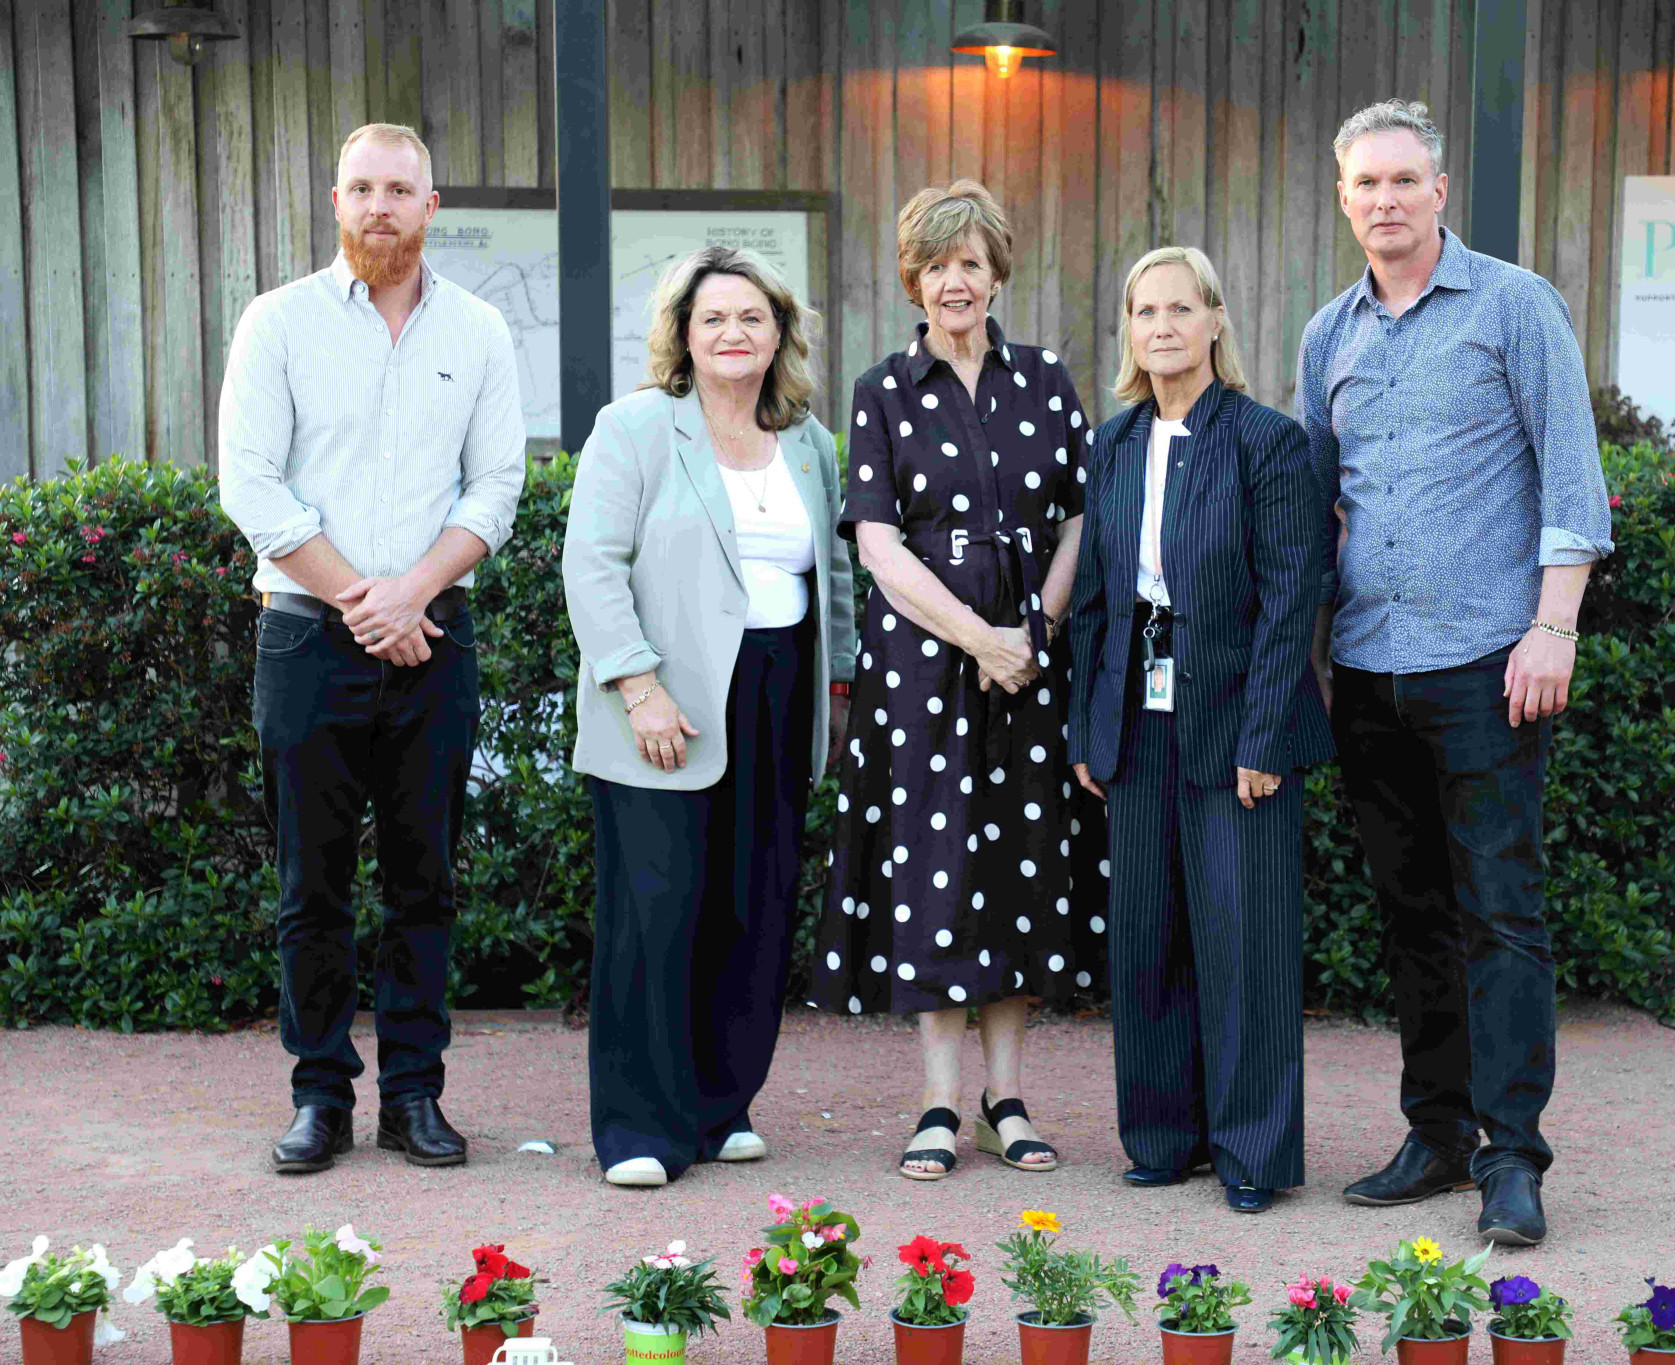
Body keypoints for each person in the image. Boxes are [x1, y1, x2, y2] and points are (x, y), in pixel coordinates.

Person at [1297, 99, 1613, 1246]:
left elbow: (1571, 479)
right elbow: (1316, 512)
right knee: (1410, 917)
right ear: (1342, 201)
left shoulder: (1514, 306)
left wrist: (1554, 628)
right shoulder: (1325, 336)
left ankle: (1511, 1157)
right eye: (1361, 184)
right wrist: (1310, 656)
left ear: (1438, 192)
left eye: (1400, 180)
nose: (1382, 199)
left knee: (1502, 916)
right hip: (1369, 668)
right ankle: (1433, 1134)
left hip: (1488, 663)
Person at [218, 122, 527, 1175]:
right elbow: (250, 484)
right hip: (308, 639)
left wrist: (413, 596)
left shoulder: (480, 331)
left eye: (400, 189)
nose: (380, 206)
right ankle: (319, 1096)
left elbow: (497, 488)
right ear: (336, 201)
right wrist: (362, 600)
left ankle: (414, 1096)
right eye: (361, 188)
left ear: (431, 206)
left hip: (437, 637)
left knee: (424, 878)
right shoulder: (280, 324)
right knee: (313, 883)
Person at [806, 179, 1105, 1181]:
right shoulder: (882, 390)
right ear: (911, 279)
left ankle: (1006, 1097)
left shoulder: (1048, 380)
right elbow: (880, 546)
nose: (953, 281)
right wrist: (979, 636)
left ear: (996, 270)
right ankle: (938, 1103)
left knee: (1020, 862)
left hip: (1029, 659)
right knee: (934, 871)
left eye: (969, 261)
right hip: (924, 663)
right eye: (934, 264)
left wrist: (1037, 629)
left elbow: (1077, 518)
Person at [562, 245, 854, 1188]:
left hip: (778, 691)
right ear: (684, 336)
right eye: (714, 318)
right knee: (656, 909)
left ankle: (720, 1102)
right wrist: (638, 685)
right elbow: (592, 563)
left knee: (753, 899)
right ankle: (640, 1127)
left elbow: (835, 576)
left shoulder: (808, 440)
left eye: (752, 318)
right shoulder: (637, 427)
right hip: (667, 701)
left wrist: (839, 687)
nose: (734, 333)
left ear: (780, 335)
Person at [1067, 247, 1333, 1214]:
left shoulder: (1266, 441)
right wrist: (1093, 734)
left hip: (1238, 724)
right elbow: (1094, 599)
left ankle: (1254, 1149)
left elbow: (1289, 596)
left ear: (1216, 319)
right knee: (1147, 933)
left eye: (1182, 307)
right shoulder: (1118, 441)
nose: (1164, 325)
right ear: (1130, 330)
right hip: (1137, 722)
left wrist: (1265, 737)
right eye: (1145, 310)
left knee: (1244, 936)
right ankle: (1162, 1133)